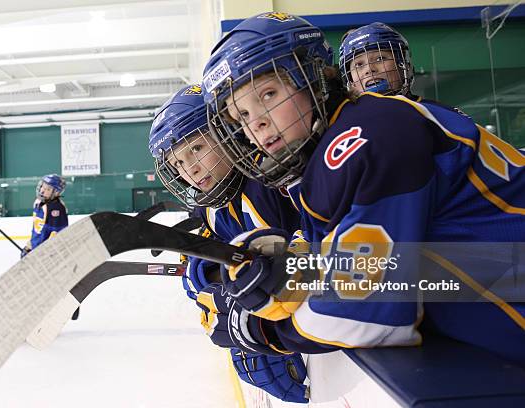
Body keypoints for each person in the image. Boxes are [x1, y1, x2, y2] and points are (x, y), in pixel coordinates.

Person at [201, 12, 525, 365]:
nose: (257, 122)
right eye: (242, 115)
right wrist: (287, 260)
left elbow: (370, 308)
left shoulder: (372, 132)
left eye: (267, 94)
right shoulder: (331, 148)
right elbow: (357, 254)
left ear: (315, 77)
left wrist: (270, 333)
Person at [149, 84, 309, 403]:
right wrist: (211, 282)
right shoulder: (213, 205)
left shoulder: (270, 185)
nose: (191, 169)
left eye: (196, 148)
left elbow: (319, 271)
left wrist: (253, 314)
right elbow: (211, 267)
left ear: (226, 132)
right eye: (179, 164)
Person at [21, 174, 69, 257]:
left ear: (56, 192)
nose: (42, 190)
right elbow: (37, 230)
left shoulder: (56, 208)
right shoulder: (38, 202)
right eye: (43, 186)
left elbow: (56, 235)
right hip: (35, 250)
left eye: (48, 189)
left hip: (46, 255)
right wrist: (29, 246)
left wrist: (45, 255)